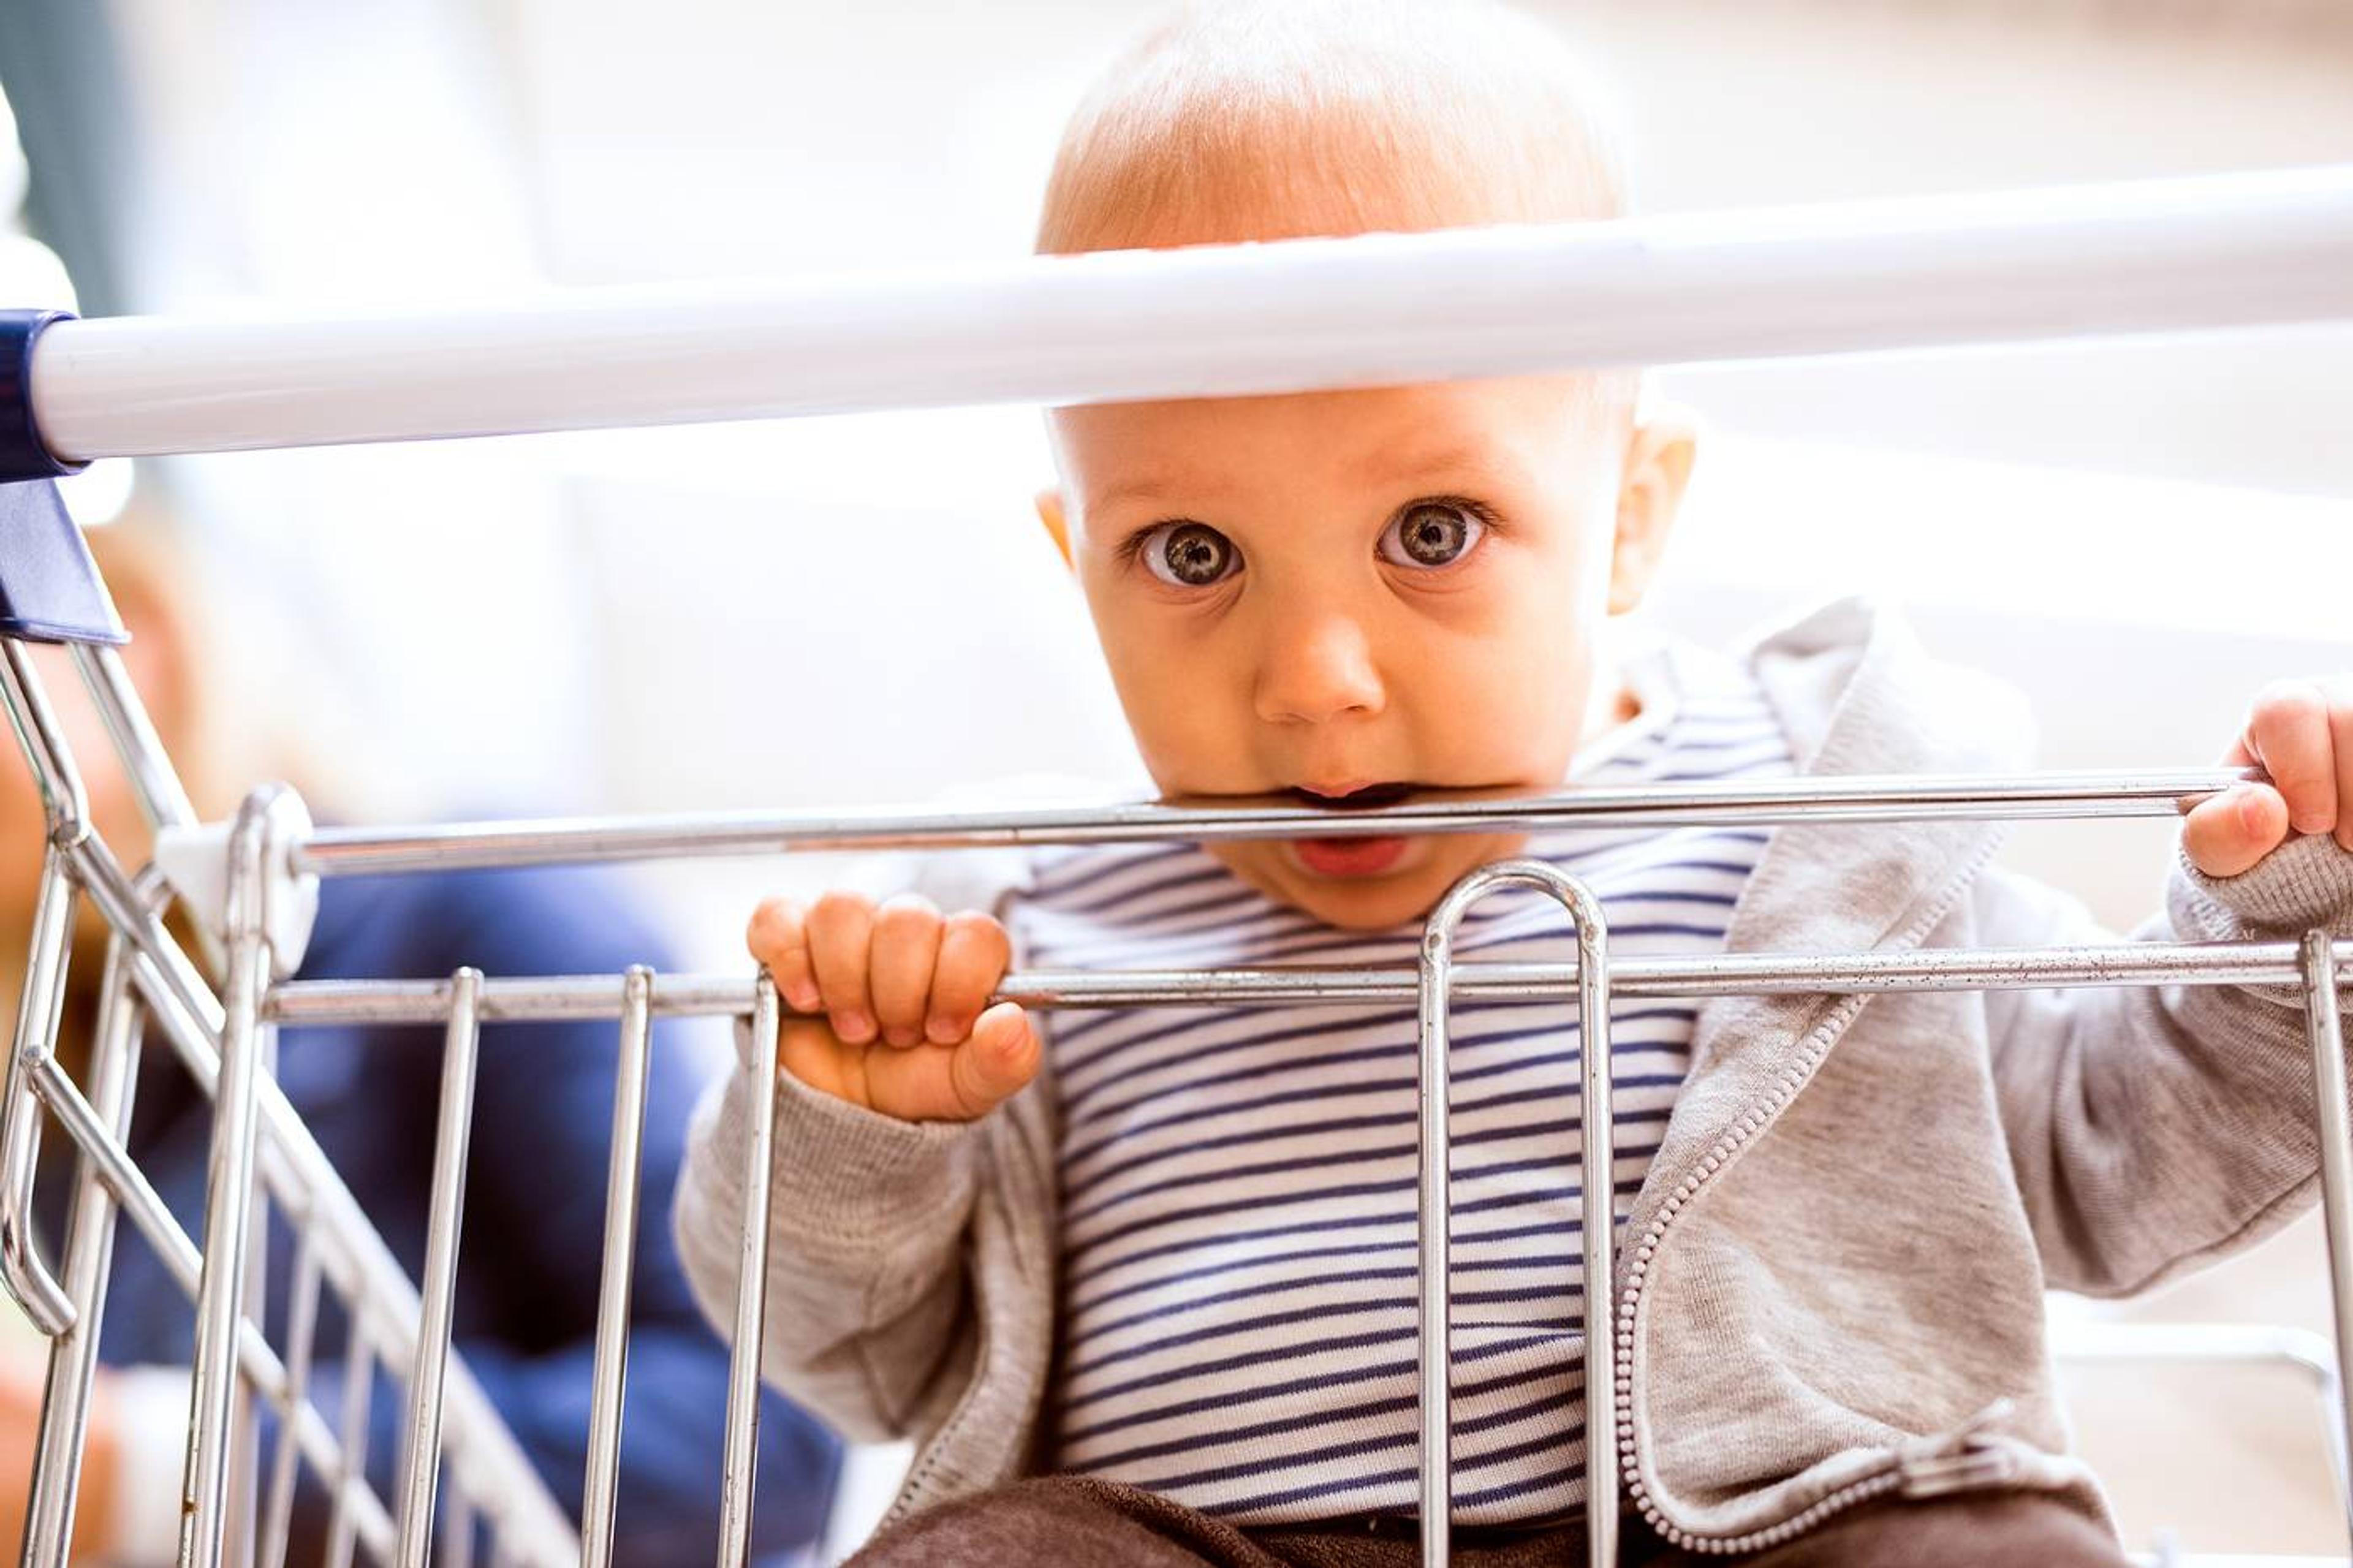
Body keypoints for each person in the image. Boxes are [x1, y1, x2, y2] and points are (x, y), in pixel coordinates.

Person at [669, 2, 2353, 1563]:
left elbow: (2124, 1148)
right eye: (1192, 552)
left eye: (1432, 535)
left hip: (1775, 1513)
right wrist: (853, 1129)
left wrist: (2286, 902)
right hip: (1208, 1541)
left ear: (1629, 515)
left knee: (1974, 1536)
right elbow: (853, 1361)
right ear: (1074, 557)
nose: (1312, 679)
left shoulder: (1814, 816)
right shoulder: (1022, 935)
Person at [0, 516, 840, 1563]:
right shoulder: (98, 1079)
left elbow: (759, 1437)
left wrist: (164, 1467)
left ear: (133, 650)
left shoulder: (482, 917)